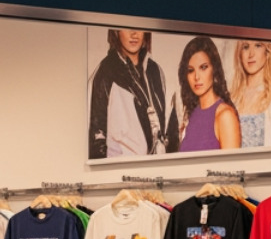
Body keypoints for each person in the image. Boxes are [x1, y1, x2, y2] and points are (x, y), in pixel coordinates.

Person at [88, 29, 178, 159]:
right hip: (123, 170)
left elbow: (166, 127)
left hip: (157, 168)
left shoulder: (156, 71)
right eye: (126, 26)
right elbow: (96, 137)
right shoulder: (104, 73)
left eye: (139, 26)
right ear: (116, 31)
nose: (134, 33)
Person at [229, 39, 271, 148]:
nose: (251, 54)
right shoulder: (231, 100)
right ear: (239, 53)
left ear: (268, 52)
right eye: (246, 47)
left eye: (258, 45)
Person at [175, 36, 240, 153]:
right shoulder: (192, 114)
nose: (196, 77)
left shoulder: (225, 115)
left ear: (214, 69)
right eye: (191, 70)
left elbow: (233, 170)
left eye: (203, 67)